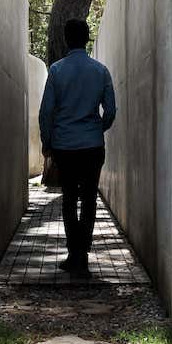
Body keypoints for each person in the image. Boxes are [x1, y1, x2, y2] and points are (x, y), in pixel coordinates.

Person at [37, 18, 117, 277]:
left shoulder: (57, 71)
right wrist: (97, 129)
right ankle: (83, 253)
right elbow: (111, 111)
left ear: (66, 39)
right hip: (93, 146)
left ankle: (74, 255)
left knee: (69, 200)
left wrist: (47, 142)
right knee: (90, 199)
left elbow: (46, 111)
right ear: (87, 38)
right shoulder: (101, 71)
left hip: (65, 146)